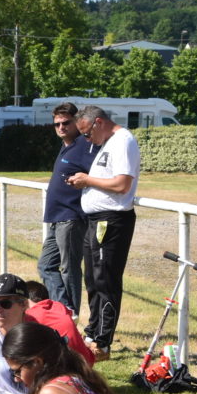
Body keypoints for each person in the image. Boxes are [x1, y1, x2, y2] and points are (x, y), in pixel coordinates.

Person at [68, 105, 141, 362]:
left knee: (106, 280)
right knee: (93, 279)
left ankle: (103, 342)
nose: (87, 140)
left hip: (111, 221)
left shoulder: (123, 141)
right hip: (96, 220)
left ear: (98, 122)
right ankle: (93, 333)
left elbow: (122, 184)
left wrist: (87, 180)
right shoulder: (108, 142)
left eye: (87, 133)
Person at [38, 102, 91, 316]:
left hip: (71, 217)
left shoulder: (85, 145)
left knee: (69, 268)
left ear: (76, 122)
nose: (61, 127)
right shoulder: (66, 145)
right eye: (57, 124)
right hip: (56, 217)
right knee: (45, 265)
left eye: (66, 123)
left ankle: (71, 314)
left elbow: (96, 175)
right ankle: (64, 308)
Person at [24, 280, 95, 366]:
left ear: (25, 300)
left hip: (65, 368)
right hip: (87, 361)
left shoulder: (30, 315)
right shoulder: (59, 306)